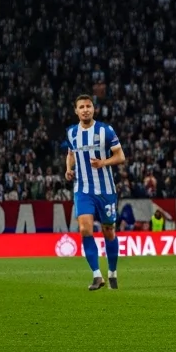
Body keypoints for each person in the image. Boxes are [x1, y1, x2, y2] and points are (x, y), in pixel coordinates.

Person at [64, 95, 127, 290]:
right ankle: (97, 276)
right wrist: (68, 169)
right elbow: (70, 154)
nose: (85, 110)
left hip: (106, 190)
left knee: (109, 232)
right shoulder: (72, 133)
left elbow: (120, 156)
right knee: (85, 229)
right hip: (82, 189)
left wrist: (103, 163)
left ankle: (113, 273)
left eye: (88, 106)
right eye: (81, 107)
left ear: (93, 109)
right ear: (76, 111)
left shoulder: (105, 130)